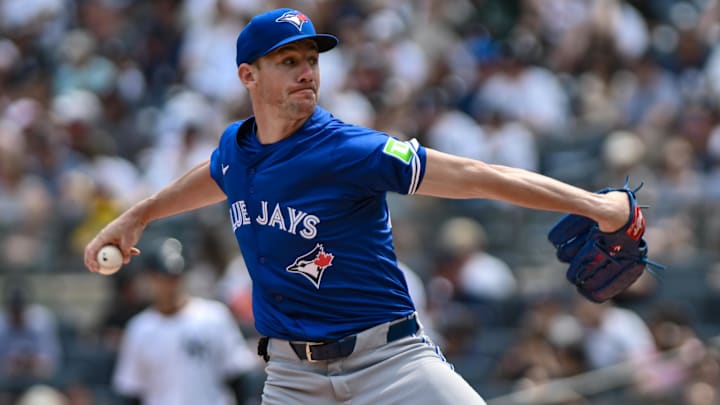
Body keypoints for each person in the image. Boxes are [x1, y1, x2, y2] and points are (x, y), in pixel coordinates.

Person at [85, 8, 636, 404]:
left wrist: (596, 205)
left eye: (311, 59)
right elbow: (215, 174)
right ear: (247, 75)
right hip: (290, 379)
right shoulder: (236, 147)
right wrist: (140, 214)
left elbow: (477, 176)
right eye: (288, 61)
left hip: (389, 364)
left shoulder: (349, 149)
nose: (307, 71)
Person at [111, 238, 259, 405]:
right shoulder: (139, 328)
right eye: (163, 277)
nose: (170, 284)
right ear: (149, 279)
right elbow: (131, 391)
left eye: (174, 277)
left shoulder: (214, 316)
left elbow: (237, 375)